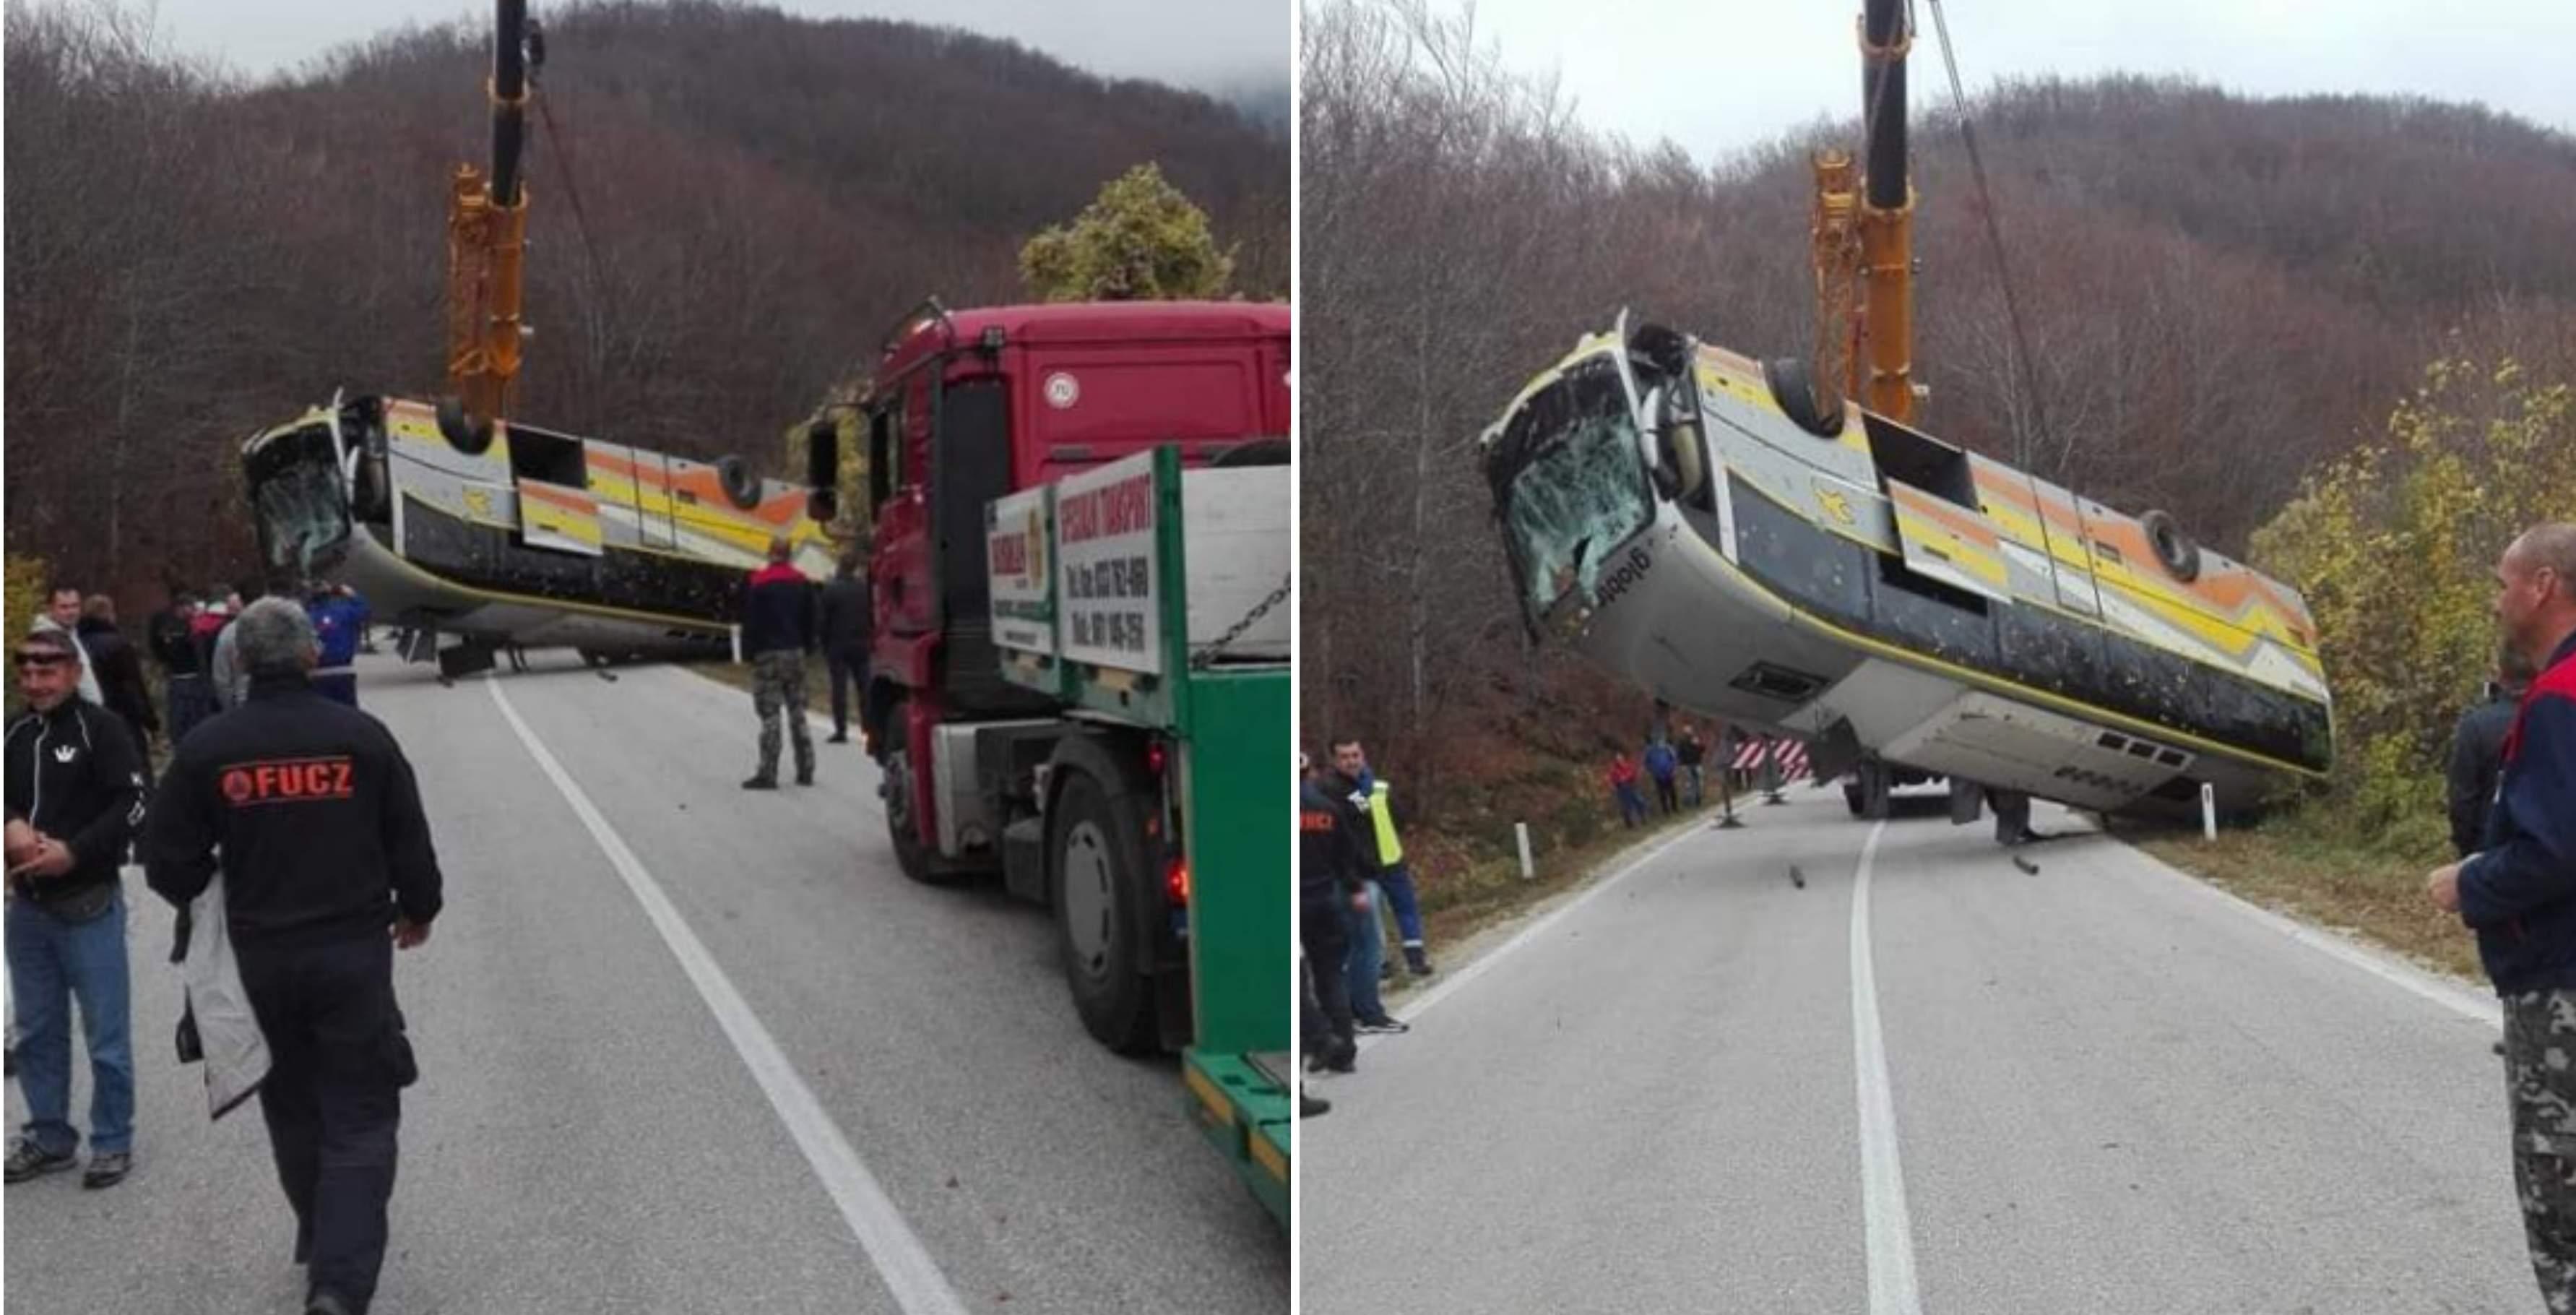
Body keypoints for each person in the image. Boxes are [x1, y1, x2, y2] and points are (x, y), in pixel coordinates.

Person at [144, 598, 443, 1315]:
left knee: (293, 1104)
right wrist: (418, 907)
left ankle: (324, 1231)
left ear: (240, 658)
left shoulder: (209, 749)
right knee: (362, 1112)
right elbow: (410, 840)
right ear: (312, 654)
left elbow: (165, 863)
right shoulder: (361, 738)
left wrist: (211, 885)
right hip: (351, 955)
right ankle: (339, 1282)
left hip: (260, 959)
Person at [2426, 522, 2576, 1313]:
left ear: (2542, 585)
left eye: (2501, 580)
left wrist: (2470, 882)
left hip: (2560, 984)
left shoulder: (2559, 697)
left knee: (2560, 1198)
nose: (2495, 598)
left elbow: (2554, 849)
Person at [4, 628, 147, 1190]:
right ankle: (49, 1137)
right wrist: (9, 821)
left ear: (72, 672)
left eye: (48, 671)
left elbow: (135, 802)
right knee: (37, 1031)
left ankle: (112, 1140)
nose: (36, 682)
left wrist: (76, 852)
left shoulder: (102, 730)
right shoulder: (12, 732)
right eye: (27, 672)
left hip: (89, 904)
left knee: (106, 1036)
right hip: (28, 912)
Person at [1326, 738, 1435, 979]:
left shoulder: (1379, 787)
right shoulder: (1333, 790)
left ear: (1363, 756)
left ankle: (1416, 959)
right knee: (1372, 919)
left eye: (1355, 755)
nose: (1351, 761)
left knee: (1406, 910)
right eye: (1345, 757)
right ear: (1335, 761)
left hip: (1391, 859)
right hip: (1362, 867)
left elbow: (1401, 818)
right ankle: (1382, 964)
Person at [1299, 752, 1361, 1074]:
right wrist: (1354, 888)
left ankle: (1320, 1040)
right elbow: (1346, 858)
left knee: (1297, 978)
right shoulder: (1328, 809)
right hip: (1325, 900)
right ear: (1309, 773)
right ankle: (1345, 1052)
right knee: (1331, 975)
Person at [739, 537, 817, 789]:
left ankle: (768, 772)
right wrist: (807, 645)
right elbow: (811, 619)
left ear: (770, 553)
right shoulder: (802, 583)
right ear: (790, 555)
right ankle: (806, 768)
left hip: (769, 654)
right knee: (798, 711)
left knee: (770, 714)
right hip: (795, 652)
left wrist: (749, 653)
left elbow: (751, 622)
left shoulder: (759, 584)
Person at [2451, 644, 2538, 859]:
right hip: (2544, 855)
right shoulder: (2559, 717)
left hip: (2488, 852)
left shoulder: (2476, 726)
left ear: (2501, 673)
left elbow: (2462, 799)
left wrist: (2467, 851)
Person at [77, 595, 160, 766]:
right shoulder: (118, 645)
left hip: (88, 715)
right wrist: (149, 720)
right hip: (122, 715)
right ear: (109, 614)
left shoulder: (76, 644)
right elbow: (133, 685)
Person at [818, 551, 871, 745]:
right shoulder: (864, 589)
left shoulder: (831, 590)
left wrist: (824, 644)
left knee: (839, 688)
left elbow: (823, 622)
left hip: (838, 645)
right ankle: (868, 727)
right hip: (861, 644)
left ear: (839, 565)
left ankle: (841, 729)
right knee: (864, 688)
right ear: (855, 567)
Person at [152, 590, 219, 744]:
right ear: (181, 608)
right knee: (182, 719)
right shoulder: (170, 626)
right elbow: (159, 648)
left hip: (194, 677)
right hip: (181, 677)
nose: (193, 610)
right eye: (190, 606)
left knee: (195, 718)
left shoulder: (194, 626)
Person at [28, 584, 104, 707]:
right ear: (50, 608)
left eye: (75, 606)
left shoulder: (70, 634)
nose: (71, 612)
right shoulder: (46, 642)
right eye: (64, 607)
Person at [303, 581, 366, 707]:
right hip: (343, 671)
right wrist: (351, 594)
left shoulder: (305, 618)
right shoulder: (345, 612)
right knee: (348, 715)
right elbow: (364, 609)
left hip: (316, 674)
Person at [1608, 751, 1647, 828]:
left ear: (1623, 758)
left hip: (1632, 786)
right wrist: (1616, 784)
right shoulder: (1614, 770)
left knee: (1640, 802)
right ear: (1615, 760)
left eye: (1620, 758)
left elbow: (1634, 774)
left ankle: (1643, 818)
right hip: (1622, 789)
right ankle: (1630, 824)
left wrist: (1628, 777)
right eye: (1617, 759)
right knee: (1627, 807)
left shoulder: (1628, 765)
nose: (1619, 760)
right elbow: (1612, 780)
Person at [1643, 735, 1680, 815]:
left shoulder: (1668, 748)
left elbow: (1674, 759)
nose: (1660, 742)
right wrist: (1652, 770)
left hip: (1669, 773)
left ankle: (1675, 808)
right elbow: (1646, 763)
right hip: (1658, 775)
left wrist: (1674, 769)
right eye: (1658, 740)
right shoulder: (1651, 751)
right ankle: (1666, 811)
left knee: (1672, 792)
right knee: (1662, 794)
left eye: (1661, 740)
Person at [1677, 725, 1707, 808]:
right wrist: (1682, 764)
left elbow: (1703, 749)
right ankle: (1691, 802)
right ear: (1684, 733)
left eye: (1689, 731)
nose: (1688, 733)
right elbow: (1680, 753)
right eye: (1686, 731)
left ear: (1692, 731)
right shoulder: (1682, 741)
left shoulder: (1695, 739)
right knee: (1690, 784)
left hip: (1697, 763)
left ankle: (1699, 800)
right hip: (1687, 765)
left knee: (1699, 782)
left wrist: (1698, 744)